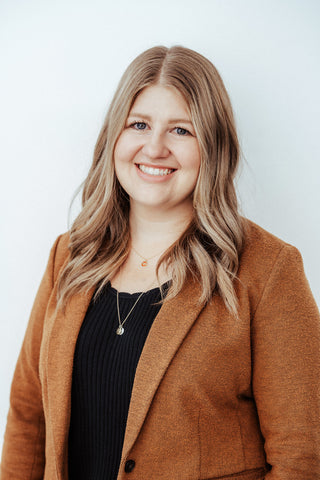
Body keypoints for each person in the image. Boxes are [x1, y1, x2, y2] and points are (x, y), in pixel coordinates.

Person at [1, 45, 319, 480]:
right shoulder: (69, 256)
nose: (154, 147)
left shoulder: (268, 270)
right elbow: (28, 415)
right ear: (114, 136)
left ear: (214, 145)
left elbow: (301, 455)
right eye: (139, 124)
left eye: (181, 131)